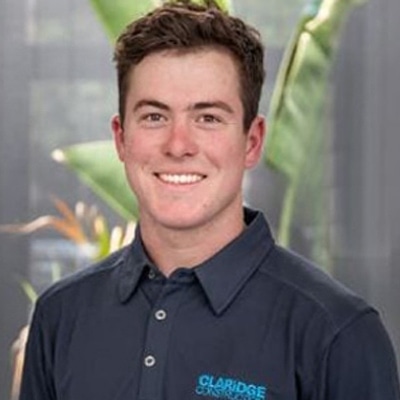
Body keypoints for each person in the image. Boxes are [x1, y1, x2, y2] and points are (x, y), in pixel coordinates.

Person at [20, 1, 400, 399]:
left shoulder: (338, 333)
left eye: (208, 118)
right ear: (121, 138)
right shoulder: (60, 316)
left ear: (252, 142)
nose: (178, 145)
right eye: (154, 117)